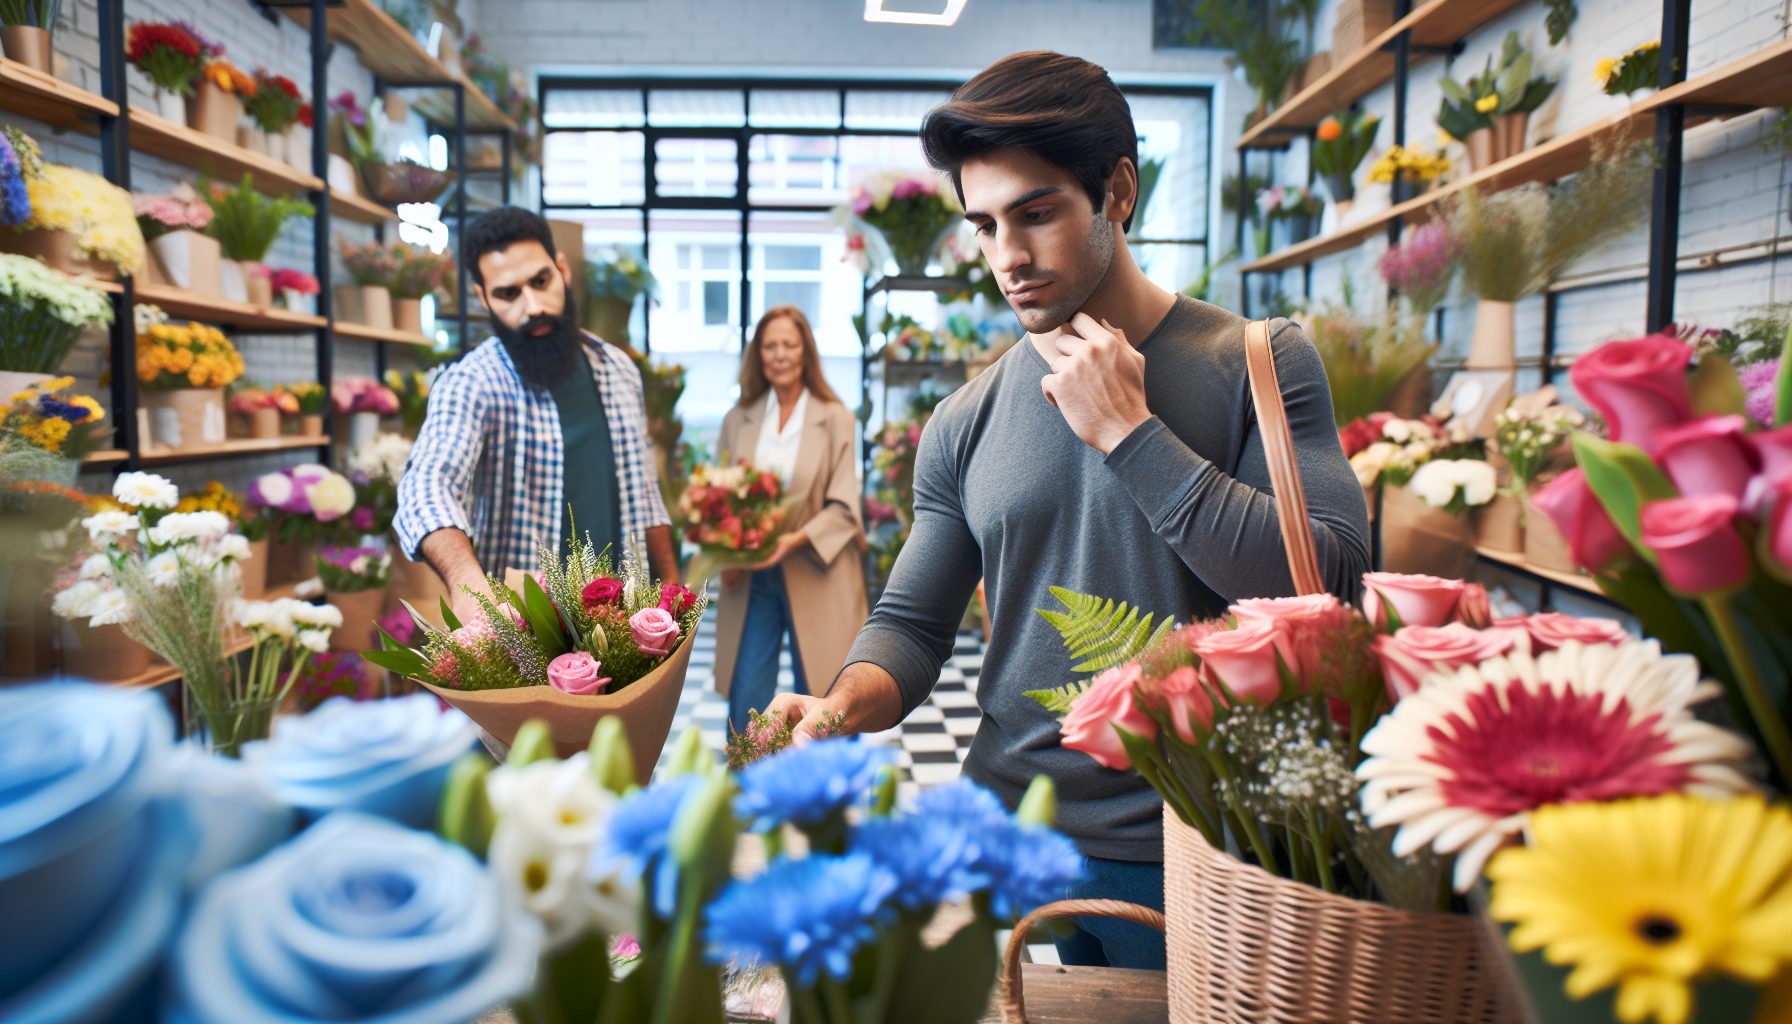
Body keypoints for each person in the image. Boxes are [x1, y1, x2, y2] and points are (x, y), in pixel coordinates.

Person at [768, 52, 1370, 970]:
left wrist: (1131, 434)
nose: (1008, 256)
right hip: (1021, 839)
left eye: (1037, 213)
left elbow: (1327, 583)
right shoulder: (965, 419)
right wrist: (839, 704)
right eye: (984, 225)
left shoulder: (1255, 361)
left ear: (1117, 191)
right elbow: (911, 625)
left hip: (1206, 844)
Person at [395, 207, 679, 626]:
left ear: (561, 269)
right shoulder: (473, 382)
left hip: (625, 623)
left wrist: (671, 578)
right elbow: (426, 486)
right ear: (482, 297)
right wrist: (467, 585)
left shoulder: (617, 369)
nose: (533, 306)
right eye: (508, 293)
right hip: (525, 629)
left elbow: (643, 491)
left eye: (541, 281)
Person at [712, 307, 868, 734]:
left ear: (805, 352)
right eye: (769, 345)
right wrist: (725, 543)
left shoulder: (836, 418)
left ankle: (824, 797)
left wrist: (794, 539)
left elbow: (844, 508)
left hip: (817, 568)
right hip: (753, 576)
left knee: (823, 695)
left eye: (789, 344)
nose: (779, 354)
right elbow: (719, 499)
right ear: (757, 354)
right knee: (746, 697)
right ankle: (749, 791)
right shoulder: (737, 419)